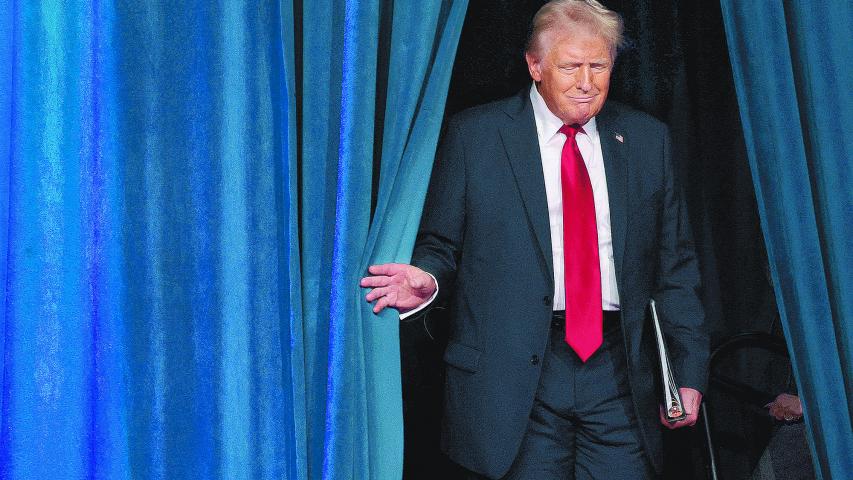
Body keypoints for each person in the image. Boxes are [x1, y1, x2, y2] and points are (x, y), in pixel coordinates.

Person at [360, 1, 708, 478]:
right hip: (514, 374)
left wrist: (688, 371)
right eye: (570, 66)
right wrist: (429, 280)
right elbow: (440, 244)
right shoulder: (475, 136)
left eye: (598, 65)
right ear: (535, 65)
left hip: (618, 374)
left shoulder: (648, 141)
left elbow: (675, 270)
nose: (586, 82)